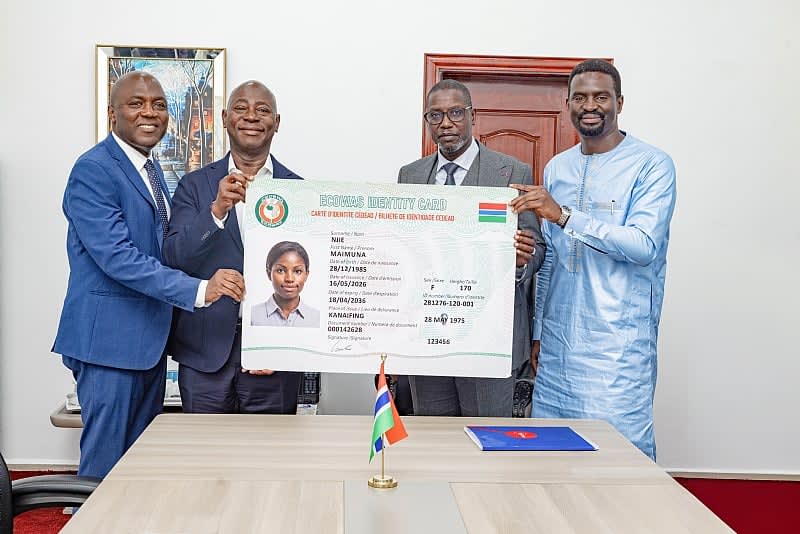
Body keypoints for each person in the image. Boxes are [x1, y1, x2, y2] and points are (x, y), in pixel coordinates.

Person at [52, 72, 244, 478]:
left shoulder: (150, 170)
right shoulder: (94, 169)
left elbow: (167, 250)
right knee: (104, 470)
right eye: (136, 103)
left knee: (137, 470)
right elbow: (118, 258)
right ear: (112, 114)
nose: (150, 112)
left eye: (159, 104)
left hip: (148, 345)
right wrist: (200, 290)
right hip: (109, 345)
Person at [509, 59, 677, 459]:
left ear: (619, 102)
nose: (590, 105)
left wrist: (565, 216)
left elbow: (643, 246)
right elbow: (552, 257)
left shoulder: (652, 165)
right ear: (567, 103)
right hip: (557, 349)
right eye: (580, 97)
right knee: (552, 459)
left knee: (619, 461)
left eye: (601, 96)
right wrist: (539, 331)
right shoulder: (558, 167)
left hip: (617, 348)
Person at [398, 79, 545, 417]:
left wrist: (521, 262)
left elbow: (536, 246)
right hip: (428, 335)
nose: (445, 123)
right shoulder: (410, 175)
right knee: (434, 437)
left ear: (472, 116)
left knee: (485, 438)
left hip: (489, 338)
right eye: (435, 115)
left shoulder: (512, 172)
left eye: (455, 113)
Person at [164, 80, 304, 414]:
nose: (251, 116)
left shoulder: (300, 191)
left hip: (274, 359)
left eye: (262, 110)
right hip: (204, 354)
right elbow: (173, 257)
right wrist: (215, 212)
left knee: (269, 448)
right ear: (226, 118)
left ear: (277, 122)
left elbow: (310, 274)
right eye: (241, 108)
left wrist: (283, 348)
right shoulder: (194, 186)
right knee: (206, 446)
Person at [250, 241, 320, 327]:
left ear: (306, 275)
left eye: (298, 271)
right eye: (280, 270)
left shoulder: (317, 319)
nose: (289, 279)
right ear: (269, 274)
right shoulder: (252, 316)